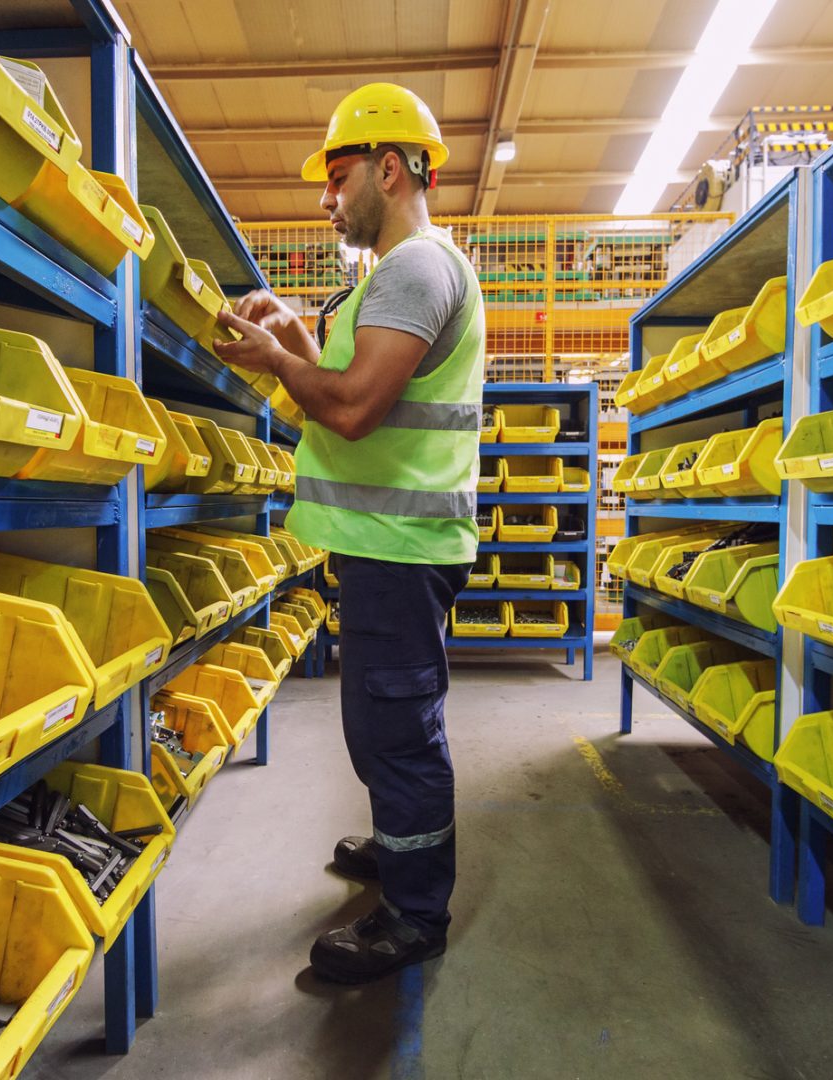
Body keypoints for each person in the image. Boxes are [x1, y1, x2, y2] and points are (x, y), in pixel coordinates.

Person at [214, 82, 484, 985]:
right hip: (385, 549)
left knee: (400, 730)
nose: (327, 198)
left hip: (402, 555)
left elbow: (358, 406)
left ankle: (415, 915)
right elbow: (348, 375)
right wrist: (293, 332)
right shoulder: (391, 274)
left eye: (339, 176)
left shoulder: (416, 268)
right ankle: (398, 848)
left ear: (392, 167)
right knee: (379, 724)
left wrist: (275, 358)